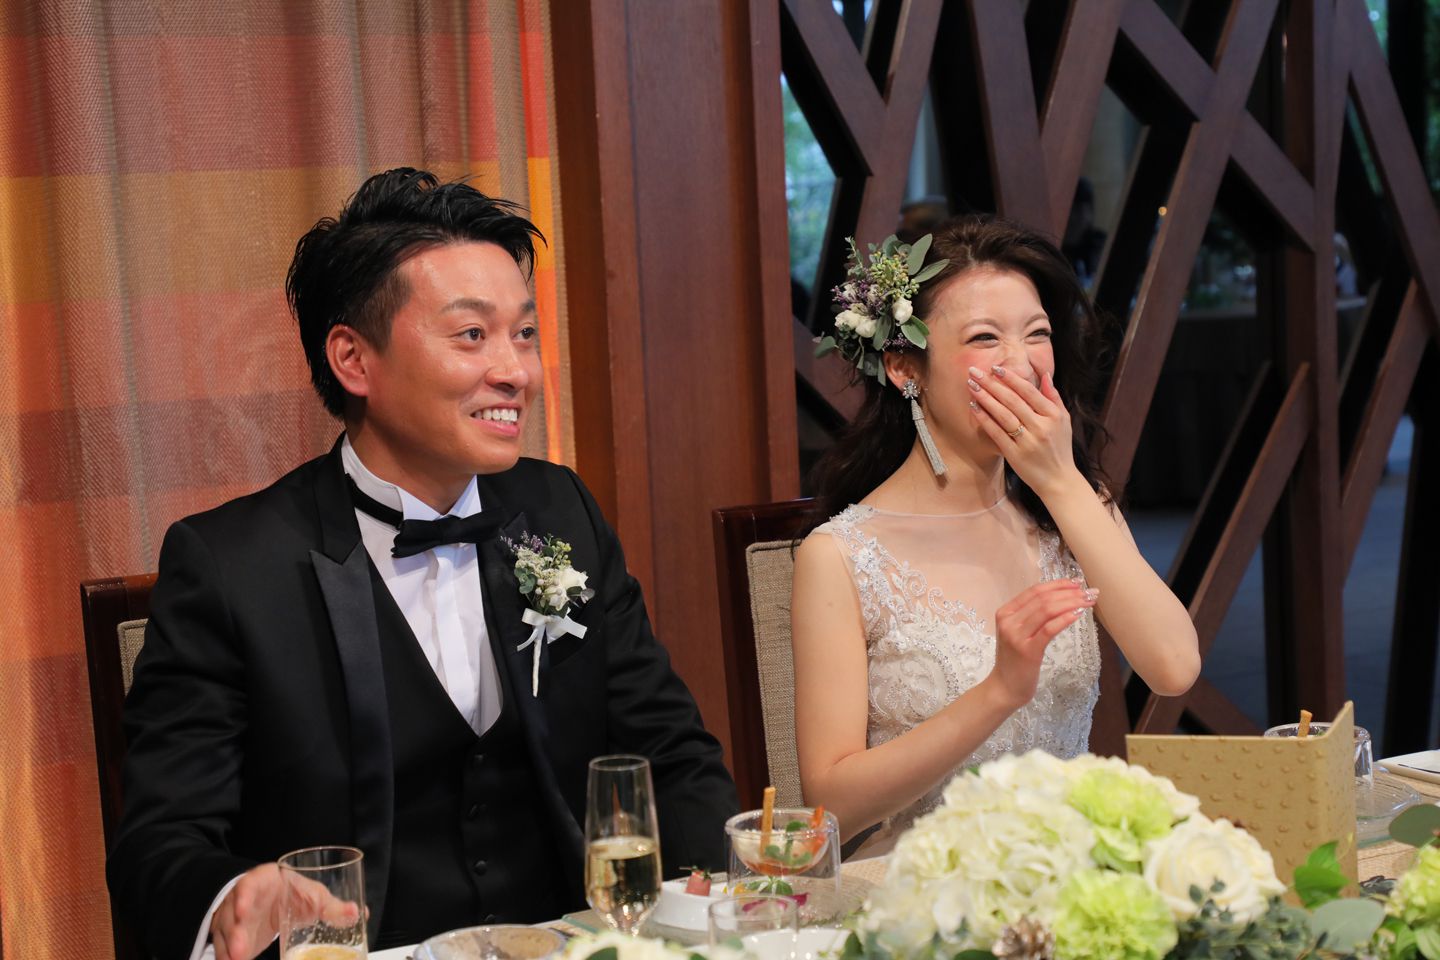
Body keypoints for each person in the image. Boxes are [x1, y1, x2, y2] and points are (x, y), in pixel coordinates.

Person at [107, 168, 739, 960]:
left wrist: (721, 912)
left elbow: (672, 756)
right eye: (472, 335)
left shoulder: (559, 511)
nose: (515, 371)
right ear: (353, 360)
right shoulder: (232, 567)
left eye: (524, 334)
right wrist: (234, 894)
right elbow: (159, 845)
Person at [793, 216, 1199, 853]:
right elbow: (831, 803)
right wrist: (998, 693)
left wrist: (1061, 482)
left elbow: (1174, 668)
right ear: (904, 368)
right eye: (985, 338)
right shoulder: (841, 554)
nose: (1022, 364)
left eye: (1038, 334)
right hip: (931, 880)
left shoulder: (1073, 507)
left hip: (1073, 864)